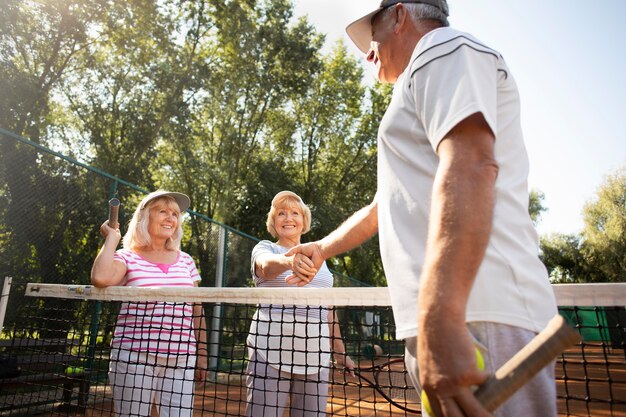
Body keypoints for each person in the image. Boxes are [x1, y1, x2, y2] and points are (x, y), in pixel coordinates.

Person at [285, 1, 559, 416]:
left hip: (473, 314)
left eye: (371, 33)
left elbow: (471, 163)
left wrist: (441, 318)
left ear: (399, 16)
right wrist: (321, 248)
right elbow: (384, 205)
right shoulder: (420, 80)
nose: (368, 51)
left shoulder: (443, 48)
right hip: (453, 318)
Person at [91, 190, 207, 417]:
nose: (170, 218)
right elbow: (100, 278)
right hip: (134, 356)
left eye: (174, 213)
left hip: (182, 358)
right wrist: (112, 238)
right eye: (162, 211)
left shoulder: (186, 260)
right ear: (145, 218)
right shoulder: (127, 256)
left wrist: (201, 353)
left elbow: (197, 309)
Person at [245, 191, 355, 417]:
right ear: (273, 222)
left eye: (295, 213)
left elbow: (328, 310)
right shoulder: (265, 248)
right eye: (281, 213)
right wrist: (288, 261)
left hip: (316, 354)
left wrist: (340, 353)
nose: (288, 218)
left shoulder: (320, 258)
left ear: (304, 221)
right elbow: (265, 267)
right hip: (270, 349)